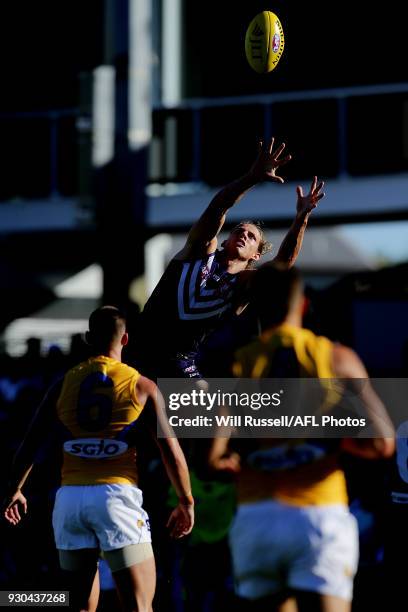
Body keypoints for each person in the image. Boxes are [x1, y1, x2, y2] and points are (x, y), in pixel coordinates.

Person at [208, 266, 395, 612]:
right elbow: (382, 442)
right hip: (319, 515)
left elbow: (211, 458)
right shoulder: (337, 357)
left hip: (256, 517)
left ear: (256, 306)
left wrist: (249, 459)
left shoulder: (234, 364)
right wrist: (328, 441)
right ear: (305, 305)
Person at [3, 306, 194, 612]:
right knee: (139, 606)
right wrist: (186, 501)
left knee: (79, 606)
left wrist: (15, 489)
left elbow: (30, 443)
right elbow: (170, 451)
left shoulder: (63, 383)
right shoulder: (142, 385)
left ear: (89, 339)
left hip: (70, 500)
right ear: (126, 339)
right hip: (116, 497)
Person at [138, 137, 325, 380]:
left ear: (256, 254)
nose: (243, 235)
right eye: (239, 231)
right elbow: (218, 208)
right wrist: (252, 177)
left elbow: (283, 263)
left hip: (179, 361)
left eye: (251, 236)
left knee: (205, 408)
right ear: (226, 240)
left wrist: (301, 217)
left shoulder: (244, 285)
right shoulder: (201, 249)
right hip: (140, 343)